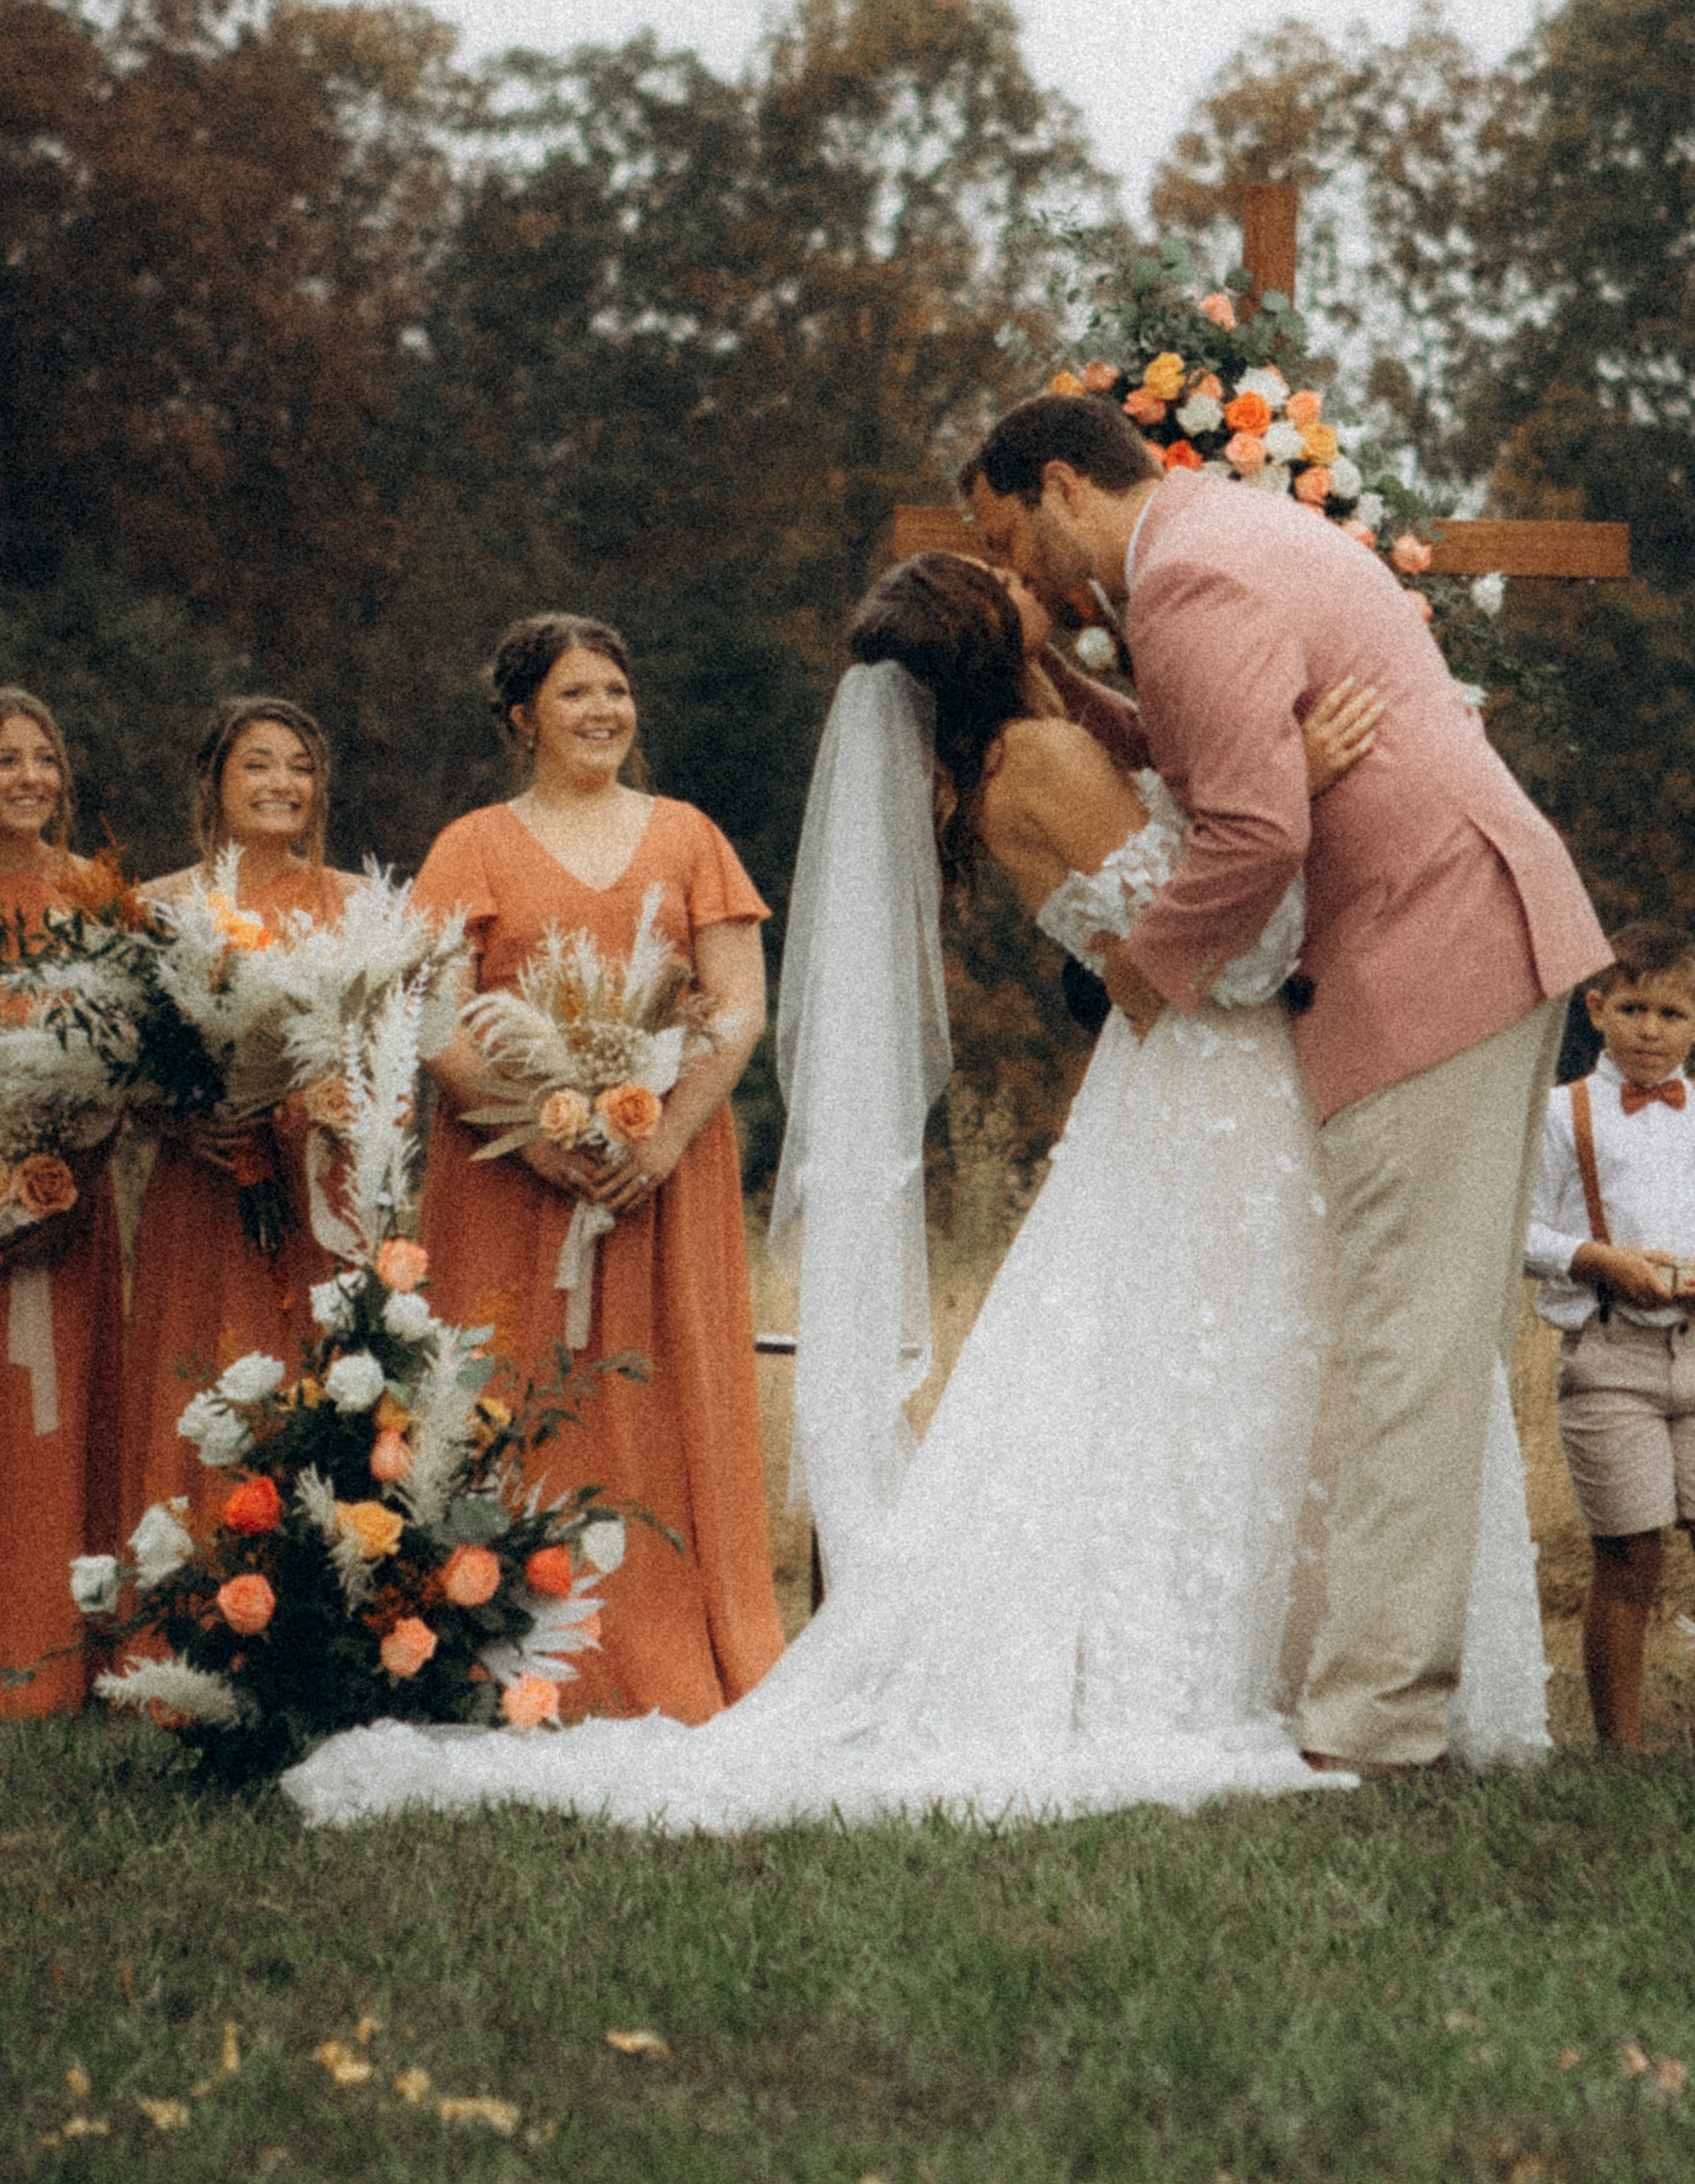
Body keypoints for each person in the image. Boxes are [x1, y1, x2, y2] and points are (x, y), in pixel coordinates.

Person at [285, 554, 1547, 1828]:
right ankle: (1241, 1670)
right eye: (1010, 585)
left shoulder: (1034, 750)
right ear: (989, 633)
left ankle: (1302, 1661)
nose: (1037, 584)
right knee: (1222, 1373)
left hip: (1188, 1090)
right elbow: (1231, 956)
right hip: (1215, 1090)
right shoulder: (1041, 766)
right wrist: (1306, 786)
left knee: (1212, 1378)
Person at [961, 391, 1607, 1776]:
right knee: (1405, 1347)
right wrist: (1072, 693)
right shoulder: (1217, 536)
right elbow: (1212, 756)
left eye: (1011, 539)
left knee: (1407, 1354)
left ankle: (1378, 1722)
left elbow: (1253, 830)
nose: (1018, 577)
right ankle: (1382, 1699)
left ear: (1066, 485)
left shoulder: (1186, 579)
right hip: (1464, 937)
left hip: (1434, 955)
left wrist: (1143, 975)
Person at [410, 614, 785, 1724]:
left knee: (664, 1395)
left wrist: (659, 1139)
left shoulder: (687, 836)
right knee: (511, 1392)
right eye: (576, 694)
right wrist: (536, 1137)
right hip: (505, 1177)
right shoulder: (472, 843)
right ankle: (501, 1645)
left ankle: (677, 1639)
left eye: (617, 690)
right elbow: (435, 1020)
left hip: (662, 1175)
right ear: (523, 716)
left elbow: (738, 1005)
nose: (604, 712)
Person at [1523, 921, 1695, 1758]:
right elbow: (1518, 1230)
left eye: (1670, 1013)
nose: (1649, 1029)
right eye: (1631, 1008)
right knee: (1629, 1555)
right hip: (1608, 1353)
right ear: (1596, 1009)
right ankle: (1620, 1751)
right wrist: (1596, 1260)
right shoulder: (1564, 1113)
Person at [122, 697, 360, 1528]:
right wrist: (179, 1114)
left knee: (317, 1376)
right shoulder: (156, 907)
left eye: (300, 767)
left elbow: (382, 1053)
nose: (281, 783)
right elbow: (121, 1058)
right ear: (213, 780)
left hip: (317, 1193)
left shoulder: (353, 902)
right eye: (258, 763)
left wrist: (319, 1103)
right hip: (200, 1186)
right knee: (196, 1373)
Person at [0, 688, 126, 1717]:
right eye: (5, 760)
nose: (28, 777)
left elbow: (126, 1045)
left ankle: (50, 1651)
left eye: (44, 758)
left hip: (72, 1193)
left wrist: (72, 1159)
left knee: (58, 1417)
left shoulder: (95, 893)